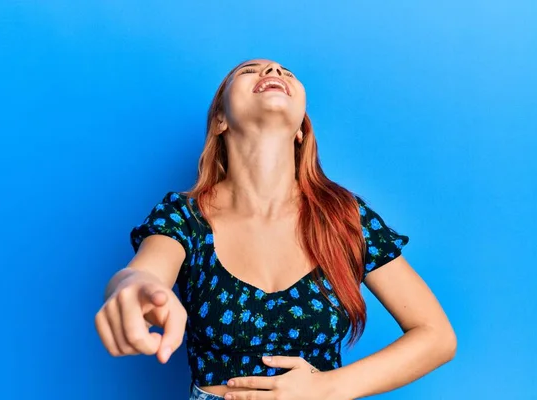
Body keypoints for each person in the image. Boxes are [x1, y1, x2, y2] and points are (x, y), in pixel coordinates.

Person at [94, 59, 457, 400]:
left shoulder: (346, 217)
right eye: (250, 70)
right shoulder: (185, 216)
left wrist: (328, 388)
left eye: (286, 72)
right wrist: (131, 289)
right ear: (220, 118)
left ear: (301, 129)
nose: (272, 69)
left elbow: (436, 336)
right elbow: (143, 274)